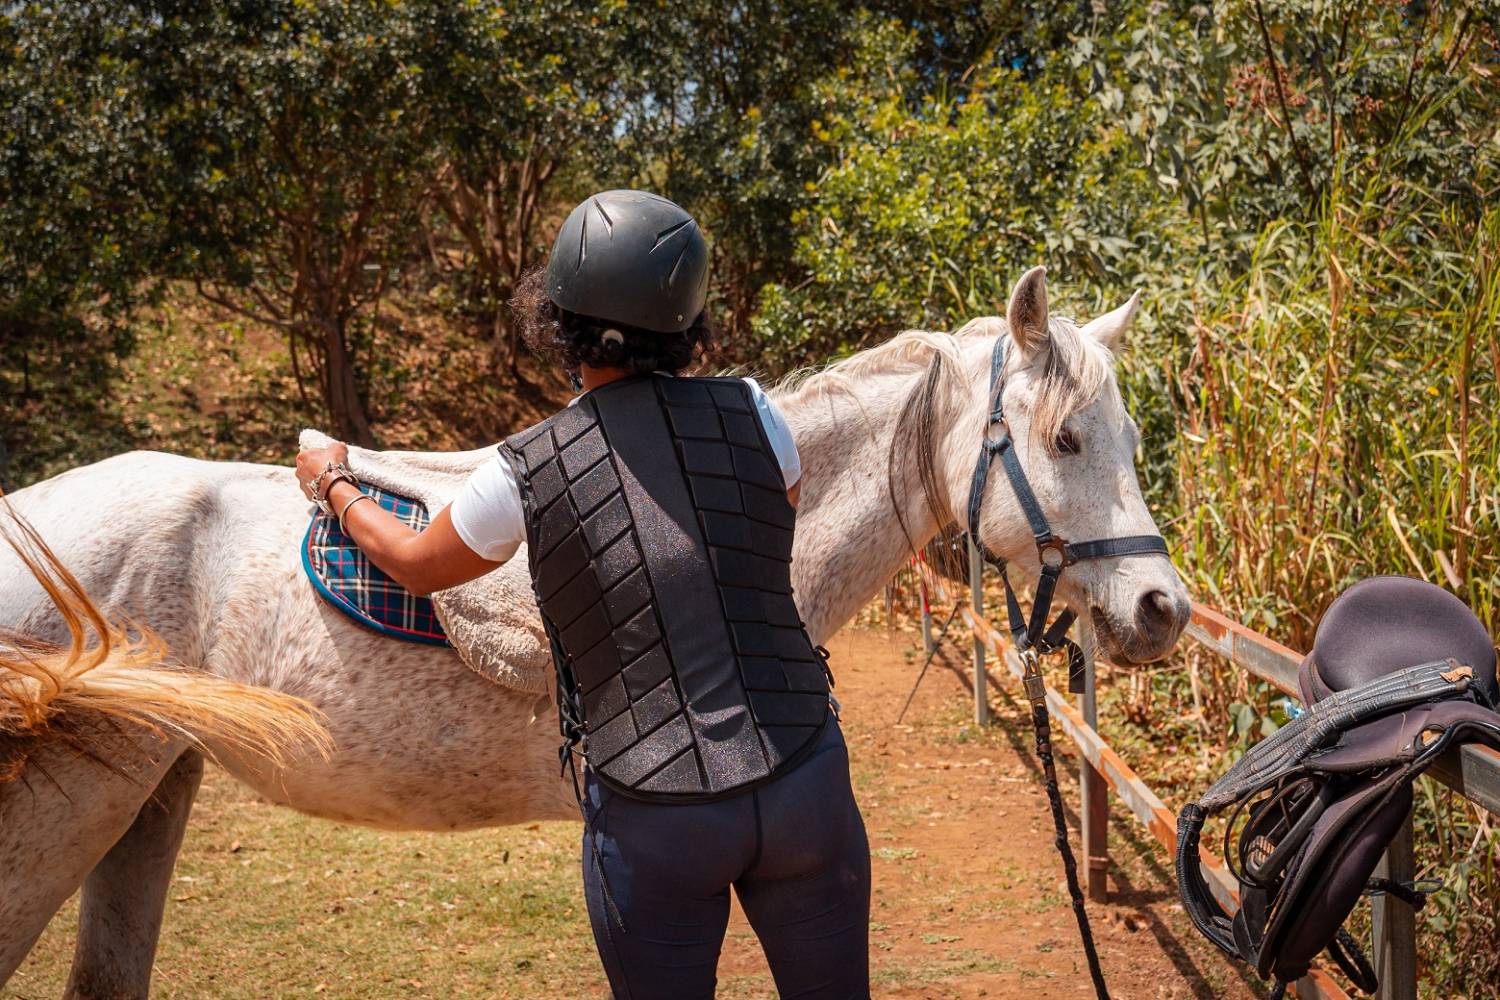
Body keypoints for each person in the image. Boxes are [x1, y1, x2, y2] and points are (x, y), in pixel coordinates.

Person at [294, 189, 871, 999]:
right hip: (804, 772)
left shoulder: (522, 465)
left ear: (557, 321)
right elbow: (767, 522)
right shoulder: (754, 411)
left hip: (655, 808)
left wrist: (335, 485)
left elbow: (419, 565)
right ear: (689, 320)